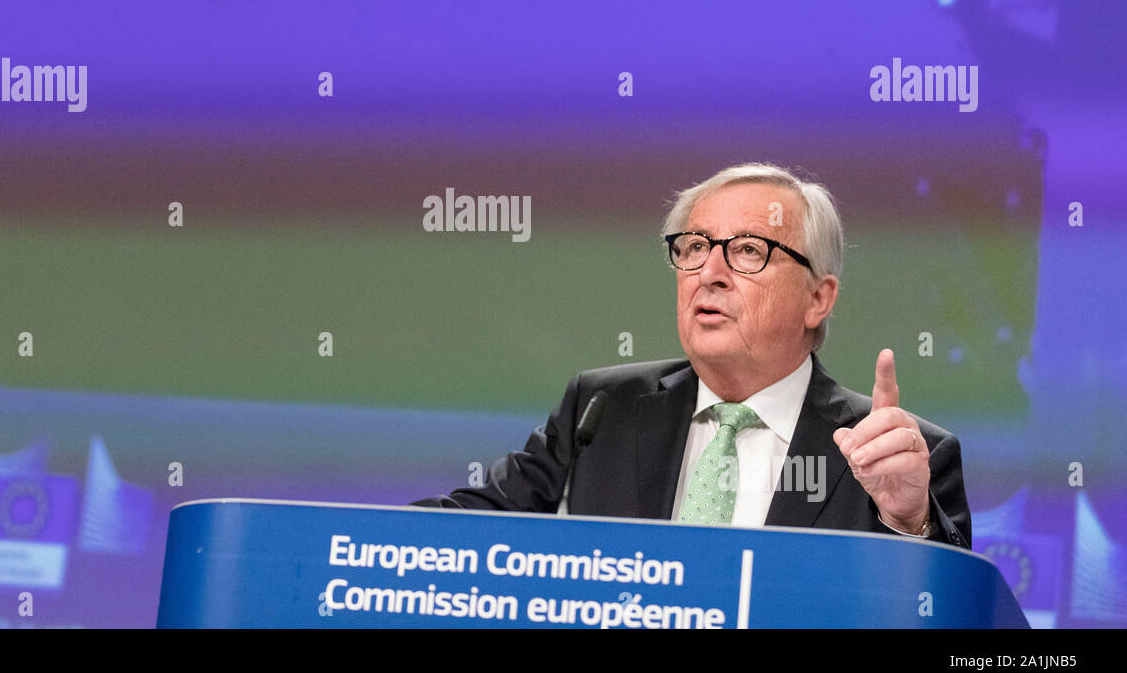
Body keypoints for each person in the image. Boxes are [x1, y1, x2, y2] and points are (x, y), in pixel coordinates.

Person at [412, 162, 971, 548]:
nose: (709, 274)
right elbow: (471, 529)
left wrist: (908, 523)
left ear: (818, 299)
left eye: (749, 250)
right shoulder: (602, 410)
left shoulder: (893, 454)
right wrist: (338, 546)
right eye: (695, 247)